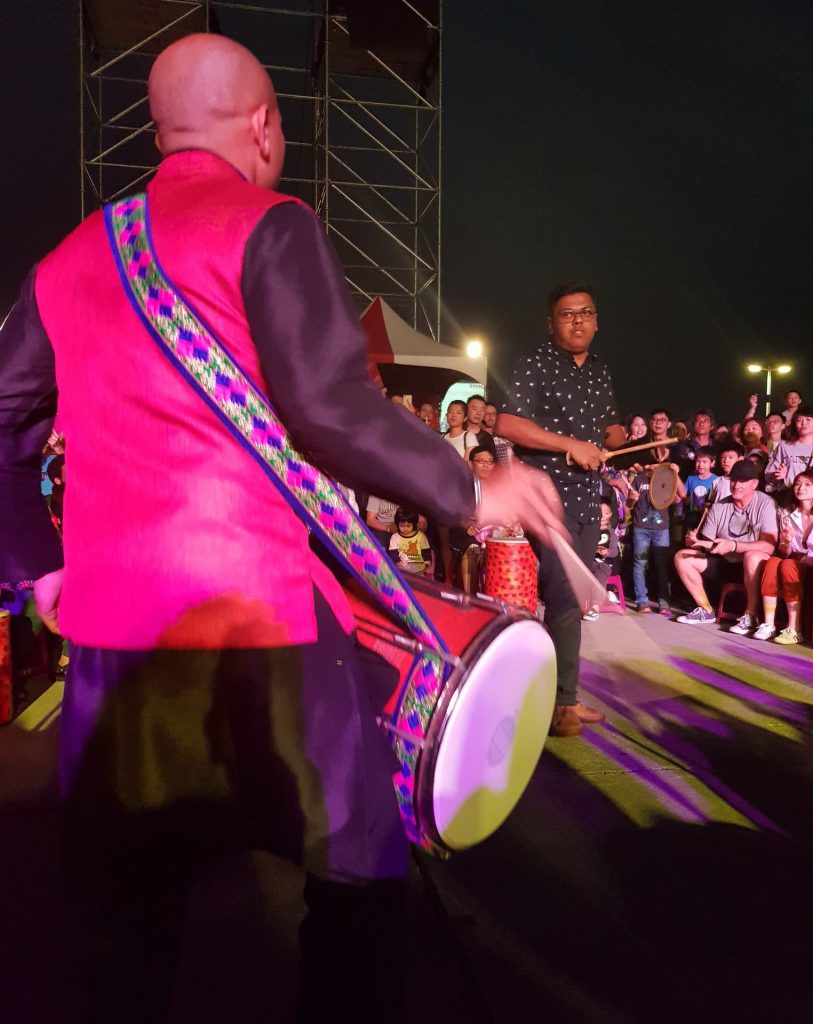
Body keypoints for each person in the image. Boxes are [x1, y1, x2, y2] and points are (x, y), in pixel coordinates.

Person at [0, 34, 566, 1024]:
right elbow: (327, 403)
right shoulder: (270, 223)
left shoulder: (65, 263)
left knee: (127, 928)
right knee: (357, 889)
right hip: (265, 632)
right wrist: (468, 490)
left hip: (112, 653)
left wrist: (36, 566)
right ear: (262, 126)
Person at [497, 280, 619, 737]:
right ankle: (556, 703)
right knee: (565, 600)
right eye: (567, 314)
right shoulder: (534, 364)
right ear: (552, 324)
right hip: (548, 497)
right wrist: (571, 445)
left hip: (589, 499)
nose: (577, 320)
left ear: (596, 319)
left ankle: (564, 695)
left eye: (585, 312)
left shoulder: (601, 372)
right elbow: (507, 423)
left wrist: (619, 440)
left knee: (572, 604)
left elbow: (609, 430)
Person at [674, 460, 777, 632]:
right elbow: (709, 543)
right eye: (734, 480)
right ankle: (706, 610)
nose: (736, 485)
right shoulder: (720, 505)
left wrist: (734, 545)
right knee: (682, 557)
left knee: (752, 556)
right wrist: (696, 542)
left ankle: (750, 615)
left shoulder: (766, 504)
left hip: (753, 566)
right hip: (724, 562)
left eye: (742, 481)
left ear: (755, 483)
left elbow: (769, 546)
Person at [755, 470, 813, 645]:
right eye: (797, 484)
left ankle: (794, 629)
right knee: (773, 562)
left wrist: (802, 559)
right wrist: (786, 541)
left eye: (807, 484)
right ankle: (769, 623)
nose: (800, 488)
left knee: (788, 565)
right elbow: (785, 552)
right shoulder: (788, 514)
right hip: (794, 560)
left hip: (808, 562)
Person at [626, 459, 677, 615]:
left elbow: (679, 497)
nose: (652, 466)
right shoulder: (639, 479)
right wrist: (631, 500)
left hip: (661, 529)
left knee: (662, 565)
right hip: (641, 528)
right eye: (649, 463)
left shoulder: (667, 477)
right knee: (640, 564)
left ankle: (664, 602)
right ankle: (642, 600)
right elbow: (629, 505)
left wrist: (676, 473)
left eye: (656, 464)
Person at [583, 500, 619, 621]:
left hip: (605, 564)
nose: (603, 516)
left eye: (606, 513)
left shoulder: (611, 533)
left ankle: (595, 607)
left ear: (610, 515)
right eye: (600, 512)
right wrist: (595, 550)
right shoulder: (590, 530)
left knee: (601, 570)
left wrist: (606, 552)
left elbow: (614, 552)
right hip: (590, 563)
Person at [764, 404, 813, 495]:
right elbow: (769, 475)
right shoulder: (785, 446)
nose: (803, 423)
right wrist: (778, 476)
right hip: (788, 495)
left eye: (808, 420)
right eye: (799, 420)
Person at [676, 445, 718, 533]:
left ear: (712, 463)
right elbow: (683, 494)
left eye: (704, 462)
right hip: (691, 516)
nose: (700, 465)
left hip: (707, 518)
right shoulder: (691, 478)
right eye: (698, 461)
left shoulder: (716, 480)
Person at [388, 508, 432, 575]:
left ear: (414, 524)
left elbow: (426, 552)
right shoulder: (395, 537)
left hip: (419, 570)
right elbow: (393, 554)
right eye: (402, 526)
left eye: (408, 526)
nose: (405, 529)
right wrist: (398, 564)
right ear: (397, 524)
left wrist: (427, 563)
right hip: (402, 570)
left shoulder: (421, 536)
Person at [676, 408, 715, 478]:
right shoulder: (683, 446)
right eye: (698, 421)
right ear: (693, 425)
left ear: (712, 426)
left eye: (705, 421)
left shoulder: (718, 447)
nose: (701, 423)